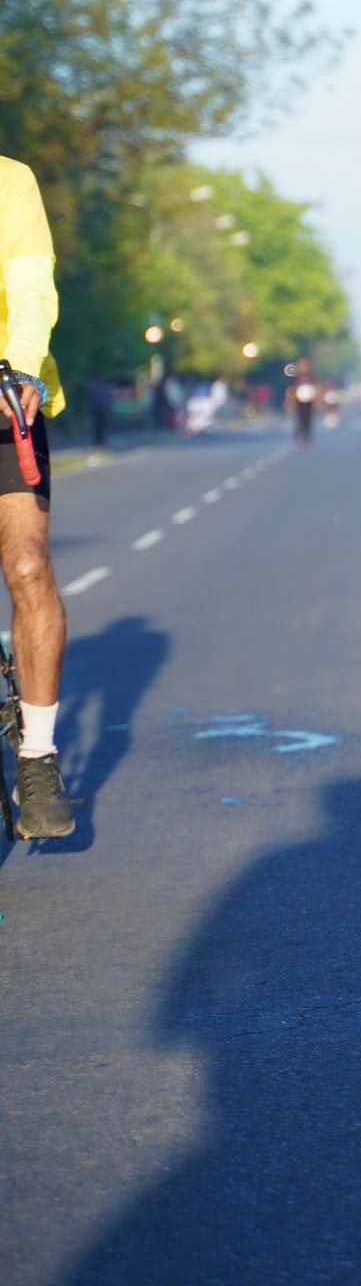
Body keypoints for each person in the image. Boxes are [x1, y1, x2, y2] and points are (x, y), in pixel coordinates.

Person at [0, 153, 73, 836]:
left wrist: (22, 366)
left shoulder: (10, 180)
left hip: (4, 395)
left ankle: (38, 754)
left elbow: (30, 288)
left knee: (25, 565)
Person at [284, 357, 318, 446]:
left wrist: (316, 400)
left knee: (308, 421)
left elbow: (315, 389)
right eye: (302, 365)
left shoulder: (311, 377)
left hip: (308, 402)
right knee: (298, 421)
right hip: (298, 402)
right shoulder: (295, 377)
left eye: (306, 365)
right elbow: (290, 390)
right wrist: (289, 401)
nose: (304, 367)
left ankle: (307, 439)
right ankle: (297, 439)